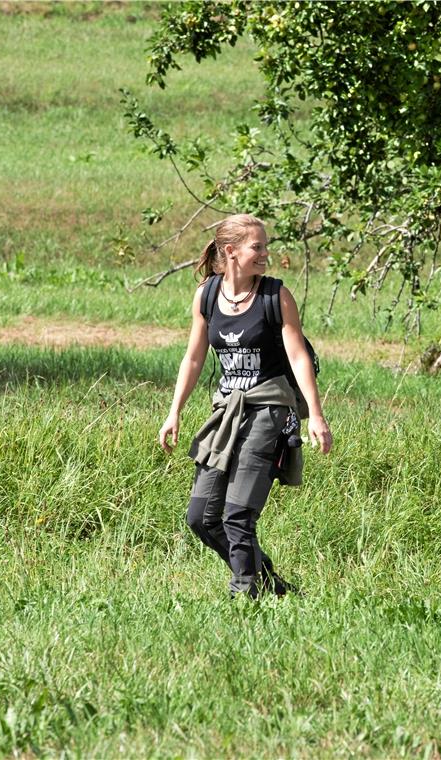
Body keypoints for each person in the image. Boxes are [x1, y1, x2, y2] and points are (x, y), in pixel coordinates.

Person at [158, 213, 332, 598]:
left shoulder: (275, 295)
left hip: (270, 411)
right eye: (258, 247)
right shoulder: (207, 295)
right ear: (231, 251)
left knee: (238, 515)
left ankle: (244, 597)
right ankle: (269, 583)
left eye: (266, 246)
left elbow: (299, 356)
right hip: (227, 413)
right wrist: (175, 412)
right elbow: (193, 358)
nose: (266, 254)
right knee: (201, 518)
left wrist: (316, 416)